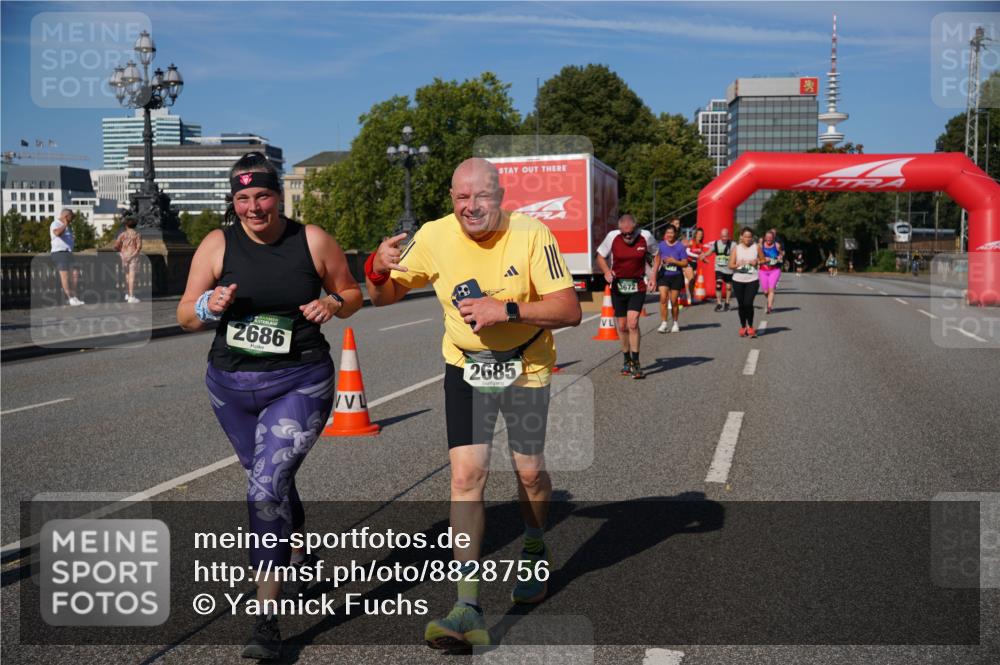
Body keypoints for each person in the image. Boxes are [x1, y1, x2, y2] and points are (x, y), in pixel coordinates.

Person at [365, 158, 581, 651]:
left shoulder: (532, 235)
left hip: (525, 364)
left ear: (500, 196)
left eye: (481, 196)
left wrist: (503, 308)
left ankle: (533, 545)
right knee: (466, 475)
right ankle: (467, 604)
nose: (471, 207)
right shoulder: (435, 235)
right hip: (466, 365)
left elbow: (568, 309)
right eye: (462, 198)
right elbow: (384, 297)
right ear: (451, 199)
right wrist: (376, 269)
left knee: (528, 472)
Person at [177, 152, 362, 660]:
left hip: (299, 378)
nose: (253, 207)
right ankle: (298, 551)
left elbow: (351, 291)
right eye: (242, 198)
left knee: (264, 487)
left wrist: (333, 304)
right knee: (267, 475)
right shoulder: (218, 243)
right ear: (232, 201)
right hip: (228, 385)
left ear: (277, 196)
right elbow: (185, 316)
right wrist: (205, 306)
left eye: (262, 196)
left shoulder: (311, 239)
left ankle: (265, 619)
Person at [596, 213, 657, 378]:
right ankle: (626, 359)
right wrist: (607, 271)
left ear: (636, 228)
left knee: (633, 322)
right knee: (622, 326)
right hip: (618, 286)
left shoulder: (646, 236)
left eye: (631, 233)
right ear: (620, 230)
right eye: (625, 233)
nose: (628, 236)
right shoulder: (612, 237)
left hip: (638, 285)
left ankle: (636, 362)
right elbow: (600, 256)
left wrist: (652, 276)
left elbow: (657, 255)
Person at [652, 225, 688, 333]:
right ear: (665, 234)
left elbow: (685, 263)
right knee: (663, 298)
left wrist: (674, 261)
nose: (669, 235)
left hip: (676, 276)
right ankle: (664, 323)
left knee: (674, 301)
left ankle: (675, 323)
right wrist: (659, 263)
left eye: (671, 233)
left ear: (675, 234)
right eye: (668, 233)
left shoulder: (680, 246)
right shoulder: (661, 245)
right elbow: (656, 259)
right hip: (664, 275)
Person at [729, 227, 760, 338]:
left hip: (752, 280)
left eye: (749, 237)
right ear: (741, 237)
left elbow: (764, 259)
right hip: (738, 280)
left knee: (748, 303)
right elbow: (730, 265)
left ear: (752, 238)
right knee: (741, 305)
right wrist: (737, 265)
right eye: (745, 236)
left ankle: (750, 326)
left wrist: (756, 261)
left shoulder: (756, 247)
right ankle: (743, 326)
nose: (747, 239)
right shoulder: (736, 249)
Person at [50, 208, 84, 306]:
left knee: (75, 274)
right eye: (71, 217)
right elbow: (57, 233)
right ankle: (70, 298)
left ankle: (73, 296)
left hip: (68, 253)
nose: (72, 219)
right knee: (64, 276)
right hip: (60, 253)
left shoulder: (68, 226)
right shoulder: (55, 223)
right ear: (66, 216)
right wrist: (65, 224)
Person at [701, 226, 734, 312]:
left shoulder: (733, 244)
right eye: (722, 236)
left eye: (725, 236)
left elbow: (737, 253)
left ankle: (727, 302)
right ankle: (719, 303)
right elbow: (709, 251)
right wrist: (704, 255)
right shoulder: (716, 243)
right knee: (718, 284)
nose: (724, 238)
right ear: (720, 236)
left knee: (728, 287)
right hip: (719, 268)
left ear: (728, 236)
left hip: (729, 269)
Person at [113, 216, 143, 303]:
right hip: (133, 256)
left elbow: (115, 246)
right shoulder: (137, 235)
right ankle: (131, 296)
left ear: (126, 225)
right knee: (132, 277)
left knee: (127, 276)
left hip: (124, 256)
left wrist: (121, 254)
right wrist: (132, 256)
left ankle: (127, 294)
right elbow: (139, 248)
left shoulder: (122, 234)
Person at [759, 230, 782, 315]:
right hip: (763, 270)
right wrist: (764, 259)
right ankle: (768, 299)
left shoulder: (777, 245)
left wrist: (779, 257)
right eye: (767, 237)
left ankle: (769, 307)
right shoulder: (760, 246)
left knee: (771, 289)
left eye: (770, 238)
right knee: (765, 291)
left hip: (774, 270)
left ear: (773, 238)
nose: (768, 239)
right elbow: (756, 257)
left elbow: (781, 254)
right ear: (765, 238)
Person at [682, 227, 705, 305]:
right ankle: (689, 297)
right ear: (695, 235)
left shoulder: (701, 244)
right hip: (688, 262)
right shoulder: (692, 242)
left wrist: (704, 259)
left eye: (701, 234)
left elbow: (701, 254)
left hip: (695, 263)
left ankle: (689, 296)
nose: (700, 235)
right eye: (698, 234)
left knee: (693, 281)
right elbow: (687, 252)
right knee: (691, 279)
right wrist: (697, 256)